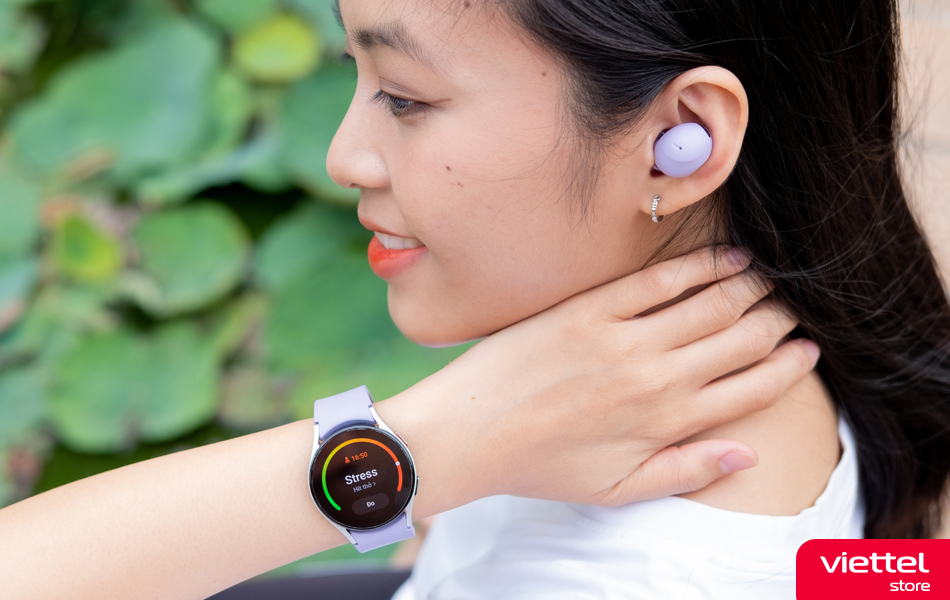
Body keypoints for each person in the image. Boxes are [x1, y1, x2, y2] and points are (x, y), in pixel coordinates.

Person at [319, 0, 950, 598]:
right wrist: (442, 467)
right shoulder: (787, 351)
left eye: (402, 97)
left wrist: (414, 457)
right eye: (355, 68)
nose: (341, 158)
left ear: (681, 138)